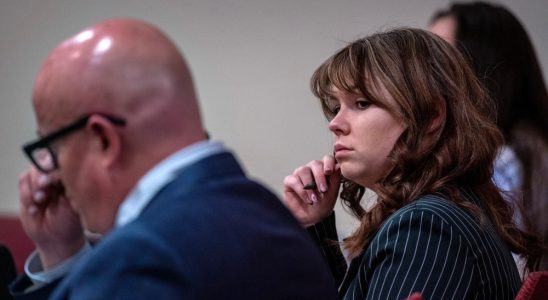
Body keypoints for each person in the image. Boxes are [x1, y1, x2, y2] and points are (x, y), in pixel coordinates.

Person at [10, 18, 338, 299]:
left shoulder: (140, 261)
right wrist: (61, 252)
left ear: (103, 140)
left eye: (55, 148)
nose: (55, 175)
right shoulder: (265, 212)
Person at [283, 27, 543, 299]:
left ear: (431, 116)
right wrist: (314, 223)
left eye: (361, 103)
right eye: (336, 108)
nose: (335, 124)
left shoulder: (427, 225)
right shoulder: (449, 209)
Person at [429, 1, 548, 270]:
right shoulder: (528, 145)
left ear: (482, 63)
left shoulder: (505, 160)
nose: (424, 75)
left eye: (438, 58)